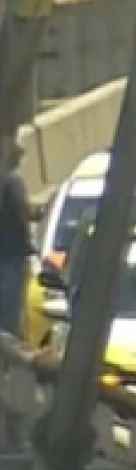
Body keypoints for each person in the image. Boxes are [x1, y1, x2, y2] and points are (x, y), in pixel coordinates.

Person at [0, 141, 32, 341]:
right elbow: (21, 215)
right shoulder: (13, 182)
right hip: (11, 254)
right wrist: (27, 241)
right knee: (11, 311)